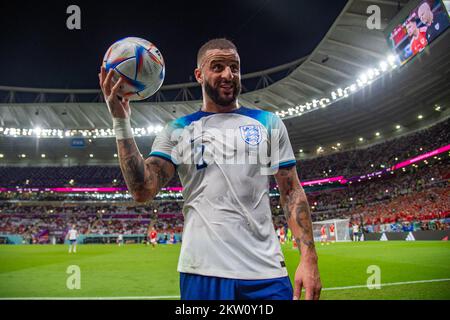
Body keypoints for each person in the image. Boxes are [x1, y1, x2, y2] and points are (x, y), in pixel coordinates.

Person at [99, 38, 321, 300]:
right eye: (217, 67)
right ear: (199, 75)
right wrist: (120, 123)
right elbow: (142, 190)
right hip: (202, 272)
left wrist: (309, 259)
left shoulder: (267, 122)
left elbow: (292, 192)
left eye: (234, 67)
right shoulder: (178, 130)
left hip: (266, 273)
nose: (228, 74)